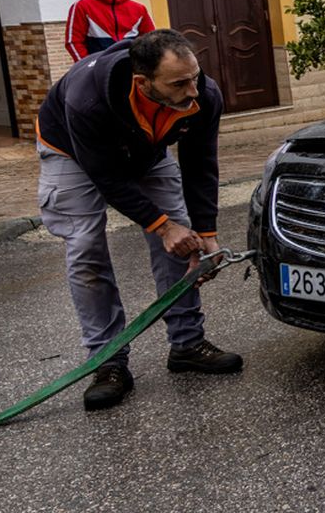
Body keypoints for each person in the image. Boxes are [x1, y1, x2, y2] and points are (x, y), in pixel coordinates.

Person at [35, 29, 242, 411]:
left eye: (194, 76)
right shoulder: (88, 99)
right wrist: (162, 226)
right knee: (86, 248)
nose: (193, 90)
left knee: (184, 243)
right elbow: (106, 177)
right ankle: (107, 362)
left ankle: (187, 345)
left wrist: (206, 233)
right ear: (142, 83)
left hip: (146, 149)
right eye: (180, 83)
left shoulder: (203, 95)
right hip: (71, 151)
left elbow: (200, 165)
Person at [65, 0, 155, 61]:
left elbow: (150, 40)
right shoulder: (82, 6)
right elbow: (73, 42)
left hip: (131, 67)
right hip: (98, 68)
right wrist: (88, 66)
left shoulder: (139, 9)